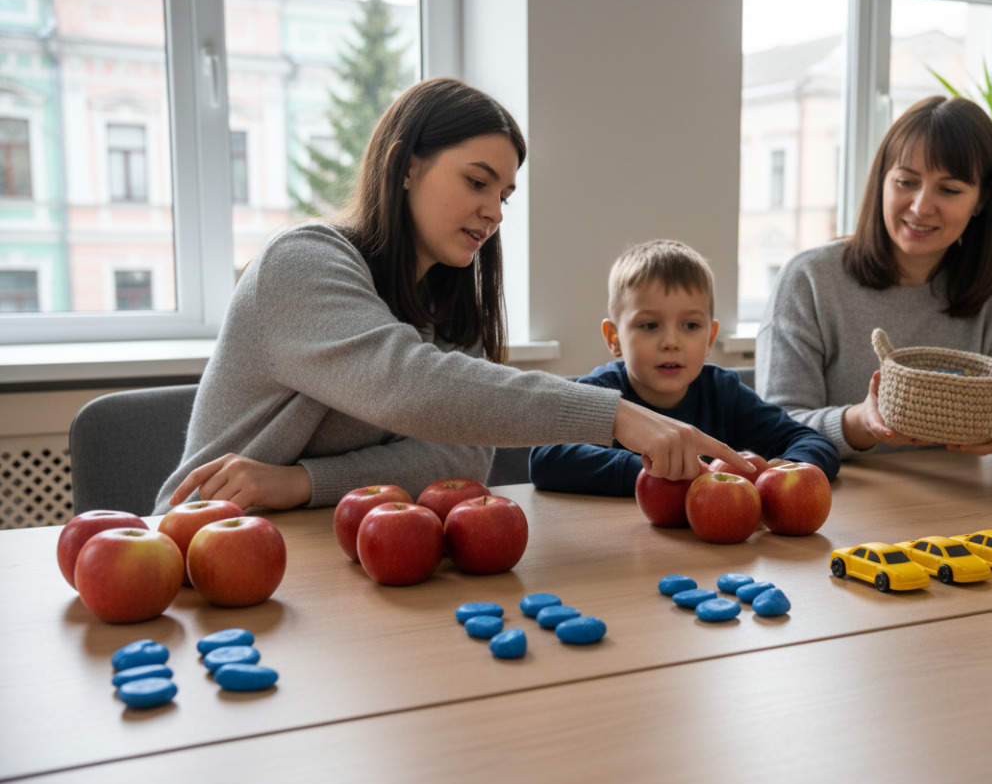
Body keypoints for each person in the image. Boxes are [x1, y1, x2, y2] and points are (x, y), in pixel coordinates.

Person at [154, 78, 751, 515]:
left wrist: (302, 482)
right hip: (210, 532)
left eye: (504, 195)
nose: (494, 212)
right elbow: (405, 385)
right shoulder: (300, 262)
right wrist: (616, 415)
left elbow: (460, 458)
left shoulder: (447, 301)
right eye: (476, 182)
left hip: (330, 531)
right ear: (405, 166)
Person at [756, 95, 992, 464]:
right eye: (906, 181)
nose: (920, 207)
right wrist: (861, 422)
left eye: (949, 190)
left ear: (980, 201)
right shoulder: (809, 280)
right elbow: (773, 430)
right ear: (882, 182)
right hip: (838, 495)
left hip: (959, 493)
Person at [528, 239, 839, 496]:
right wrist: (656, 470)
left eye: (690, 325)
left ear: (710, 338)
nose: (671, 342)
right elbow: (545, 458)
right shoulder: (600, 392)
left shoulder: (724, 392)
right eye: (650, 325)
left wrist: (784, 473)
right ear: (614, 337)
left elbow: (814, 443)